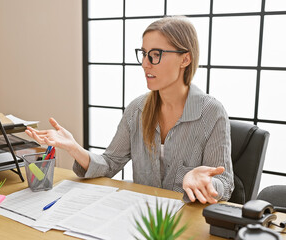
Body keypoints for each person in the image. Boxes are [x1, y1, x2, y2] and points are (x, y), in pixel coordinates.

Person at [25, 16, 234, 204]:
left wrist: (206, 183)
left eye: (155, 55)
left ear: (185, 59)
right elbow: (110, 164)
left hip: (185, 223)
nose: (145, 64)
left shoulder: (212, 113)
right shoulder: (137, 109)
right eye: (143, 54)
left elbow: (225, 183)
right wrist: (73, 148)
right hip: (140, 217)